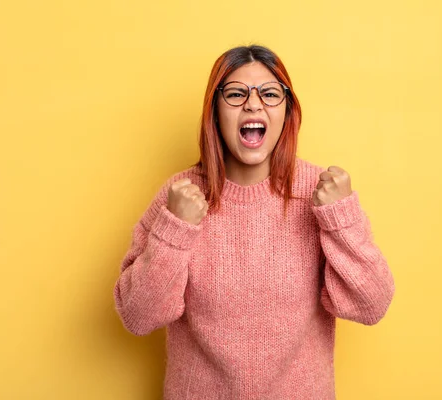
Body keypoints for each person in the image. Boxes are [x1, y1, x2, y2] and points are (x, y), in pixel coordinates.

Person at [113, 44, 395, 400]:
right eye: (235, 94)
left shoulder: (319, 195)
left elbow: (372, 305)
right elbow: (138, 317)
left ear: (287, 111)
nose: (253, 104)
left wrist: (340, 220)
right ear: (214, 112)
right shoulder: (180, 197)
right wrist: (175, 231)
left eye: (270, 93)